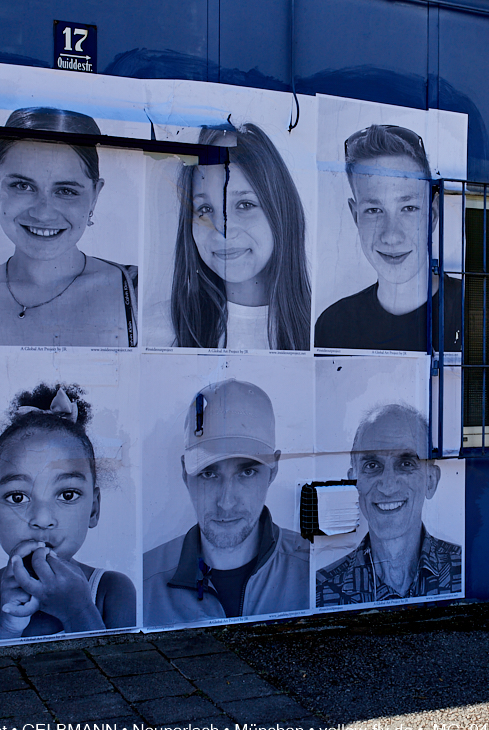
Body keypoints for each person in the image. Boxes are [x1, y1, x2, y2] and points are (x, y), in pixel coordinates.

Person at [0, 384, 136, 643]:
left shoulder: (111, 591)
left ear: (94, 508)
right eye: (18, 497)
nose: (42, 519)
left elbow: (122, 678)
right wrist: (9, 624)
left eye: (67, 495)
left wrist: (78, 611)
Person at [0, 107, 138, 347]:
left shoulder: (140, 291)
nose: (43, 212)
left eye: (66, 191)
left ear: (95, 196)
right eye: (22, 186)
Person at [144, 379, 309, 625]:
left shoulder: (312, 569)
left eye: (247, 473)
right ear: (185, 474)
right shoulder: (144, 579)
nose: (226, 503)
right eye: (208, 474)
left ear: (273, 470)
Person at [159, 123, 310, 350]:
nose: (222, 230)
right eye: (205, 209)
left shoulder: (325, 327)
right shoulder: (155, 328)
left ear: (281, 212)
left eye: (244, 204)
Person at [314, 124, 462, 353]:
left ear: (431, 216)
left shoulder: (474, 308)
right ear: (356, 217)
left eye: (409, 208)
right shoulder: (333, 326)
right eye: (374, 210)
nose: (391, 235)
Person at [317, 403, 461, 606]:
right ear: (353, 480)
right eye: (372, 466)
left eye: (406, 464)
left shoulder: (464, 570)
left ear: (430, 481)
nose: (388, 487)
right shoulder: (324, 588)